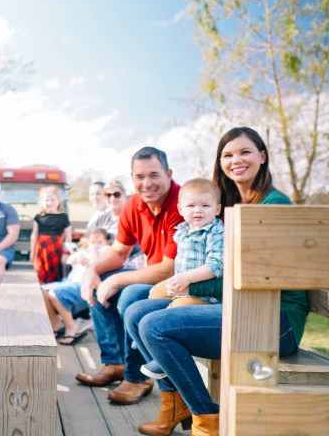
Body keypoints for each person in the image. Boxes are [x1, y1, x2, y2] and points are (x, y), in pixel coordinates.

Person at [126, 127, 309, 436]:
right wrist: (181, 285)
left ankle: (206, 419)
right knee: (135, 311)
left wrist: (188, 287)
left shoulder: (272, 206)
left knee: (154, 326)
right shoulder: (227, 206)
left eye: (245, 152)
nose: (236, 160)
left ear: (262, 157)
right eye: (227, 154)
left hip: (275, 320)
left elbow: (254, 282)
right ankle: (178, 404)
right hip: (242, 308)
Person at [77, 148, 184, 408]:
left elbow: (169, 268)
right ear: (132, 178)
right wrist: (93, 271)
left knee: (129, 295)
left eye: (154, 175)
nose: (146, 183)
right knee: (98, 286)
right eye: (140, 177)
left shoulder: (182, 202)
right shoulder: (133, 206)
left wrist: (114, 280)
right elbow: (119, 252)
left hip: (184, 281)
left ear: (169, 174)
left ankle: (137, 377)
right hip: (154, 275)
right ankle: (114, 362)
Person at [140, 178, 224, 380]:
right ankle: (150, 339)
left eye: (205, 205)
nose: (198, 211)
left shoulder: (215, 232)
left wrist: (186, 278)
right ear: (180, 209)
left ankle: (163, 357)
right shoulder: (183, 231)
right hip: (183, 281)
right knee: (153, 292)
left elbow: (216, 266)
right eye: (191, 205)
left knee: (175, 311)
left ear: (217, 209)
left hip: (203, 290)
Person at [41, 180, 144, 343]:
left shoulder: (131, 218)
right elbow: (89, 242)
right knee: (48, 287)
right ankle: (62, 323)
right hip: (94, 269)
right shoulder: (102, 218)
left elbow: (123, 254)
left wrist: (93, 262)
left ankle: (79, 324)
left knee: (90, 286)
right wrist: (80, 254)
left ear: (125, 196)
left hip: (120, 270)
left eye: (116, 194)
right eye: (108, 194)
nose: (111, 198)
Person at [45, 227, 110, 345]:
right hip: (70, 282)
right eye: (92, 242)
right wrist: (76, 256)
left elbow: (97, 266)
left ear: (107, 242)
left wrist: (93, 250)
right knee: (42, 291)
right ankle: (56, 324)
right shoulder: (85, 250)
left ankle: (71, 326)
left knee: (53, 293)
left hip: (85, 285)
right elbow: (69, 262)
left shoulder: (106, 251)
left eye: (99, 242)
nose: (95, 244)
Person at [30, 186, 72, 284]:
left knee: (55, 275)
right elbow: (34, 235)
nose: (50, 203)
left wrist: (66, 253)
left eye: (53, 200)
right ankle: (41, 294)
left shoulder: (63, 217)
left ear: (58, 201)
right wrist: (32, 251)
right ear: (42, 203)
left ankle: (51, 295)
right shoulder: (39, 217)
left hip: (56, 250)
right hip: (41, 250)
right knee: (40, 274)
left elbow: (68, 236)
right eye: (47, 200)